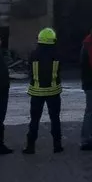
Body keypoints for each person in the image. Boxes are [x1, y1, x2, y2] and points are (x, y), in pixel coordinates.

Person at [23, 27, 63, 155]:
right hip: (53, 92)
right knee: (55, 119)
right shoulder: (57, 54)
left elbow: (30, 71)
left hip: (36, 92)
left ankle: (30, 146)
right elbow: (59, 71)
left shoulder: (33, 54)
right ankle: (57, 145)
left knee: (34, 120)